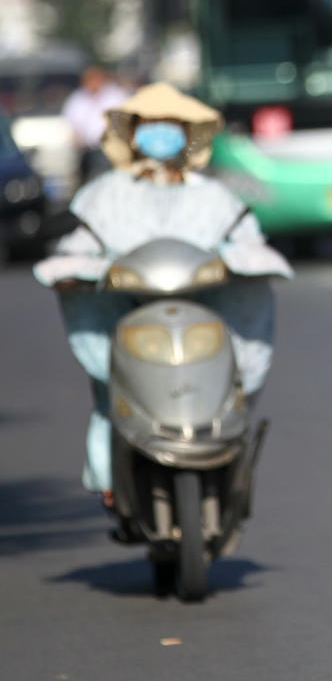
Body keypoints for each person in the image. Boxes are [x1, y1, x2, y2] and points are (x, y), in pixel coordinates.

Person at [35, 82, 293, 508]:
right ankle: (111, 478)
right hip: (128, 313)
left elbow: (246, 239)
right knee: (110, 389)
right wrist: (80, 270)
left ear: (188, 132)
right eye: (150, 124)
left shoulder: (213, 196)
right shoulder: (102, 195)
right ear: (132, 133)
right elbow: (76, 246)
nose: (160, 133)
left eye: (169, 124)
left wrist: (240, 262)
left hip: (203, 310)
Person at [61, 66, 130, 183]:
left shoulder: (116, 96)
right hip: (86, 150)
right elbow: (70, 124)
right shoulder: (77, 99)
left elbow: (124, 121)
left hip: (109, 149)